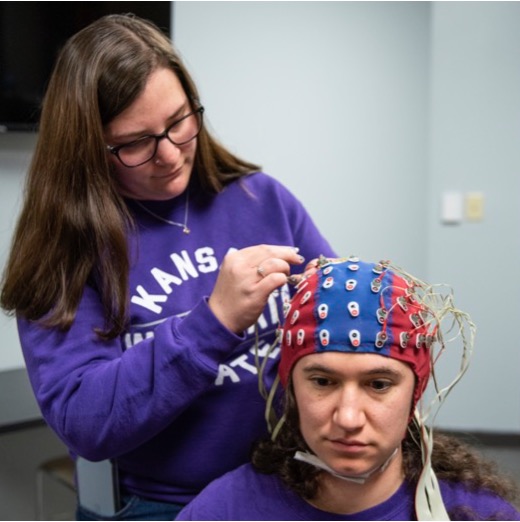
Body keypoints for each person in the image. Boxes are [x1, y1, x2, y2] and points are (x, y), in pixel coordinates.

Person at [0, 14, 336, 520]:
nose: (171, 154)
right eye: (136, 142)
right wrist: (214, 322)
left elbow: (333, 318)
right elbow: (85, 423)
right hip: (157, 504)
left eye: (180, 121)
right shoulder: (66, 247)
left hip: (283, 481)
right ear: (88, 148)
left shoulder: (261, 199)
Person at [176, 257, 520, 521]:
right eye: (323, 382)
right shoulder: (226, 509)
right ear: (290, 387)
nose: (349, 418)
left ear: (415, 391)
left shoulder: (480, 513)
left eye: (379, 384)